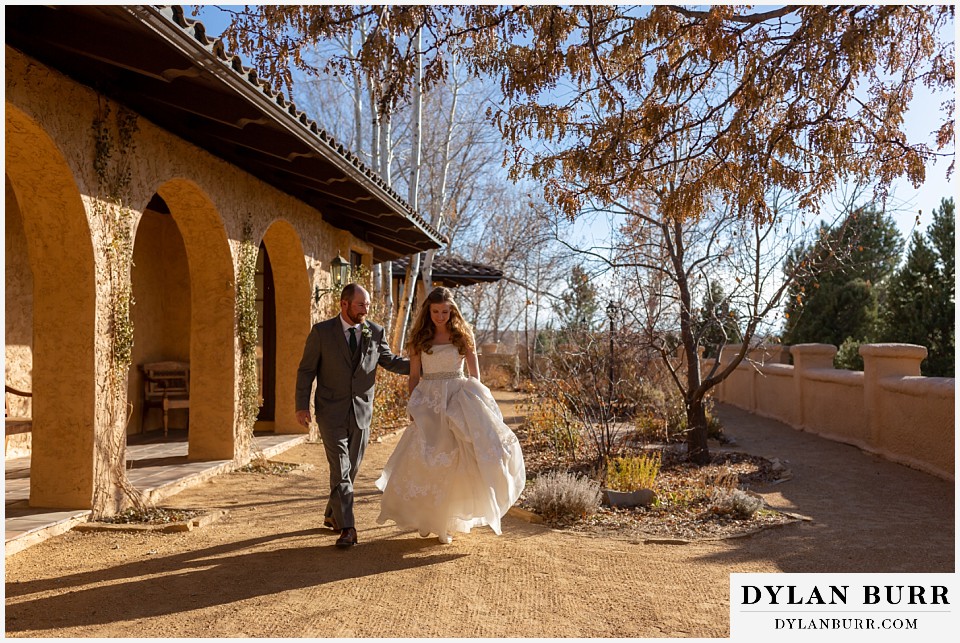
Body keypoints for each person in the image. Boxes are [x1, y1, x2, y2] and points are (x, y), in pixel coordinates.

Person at [375, 287, 525, 544]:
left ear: (452, 311)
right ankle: (425, 517)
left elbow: (474, 375)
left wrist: (477, 406)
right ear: (428, 311)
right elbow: (413, 377)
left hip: (458, 400)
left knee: (455, 460)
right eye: (435, 311)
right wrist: (413, 405)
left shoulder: (463, 337)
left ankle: (442, 523)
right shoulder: (419, 339)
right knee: (427, 458)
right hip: (429, 402)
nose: (440, 316)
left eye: (445, 311)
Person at [296, 283, 409, 548]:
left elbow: (390, 361)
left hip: (362, 413)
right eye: (361, 305)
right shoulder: (322, 332)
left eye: (367, 305)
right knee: (341, 467)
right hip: (330, 412)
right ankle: (348, 528)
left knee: (350, 470)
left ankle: (332, 514)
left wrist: (424, 363)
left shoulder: (375, 331)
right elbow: (306, 371)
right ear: (344, 304)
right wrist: (302, 405)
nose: (366, 309)